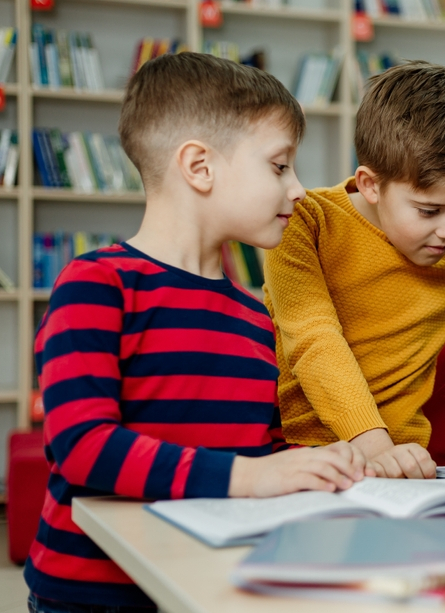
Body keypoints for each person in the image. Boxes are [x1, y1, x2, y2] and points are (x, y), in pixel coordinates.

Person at [25, 53, 369, 612]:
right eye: (281, 166)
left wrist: (319, 469)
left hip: (214, 583)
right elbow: (81, 446)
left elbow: (262, 453)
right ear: (199, 167)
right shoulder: (96, 285)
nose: (300, 190)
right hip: (93, 595)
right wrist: (254, 477)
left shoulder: (257, 318)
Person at [264, 61, 445, 478]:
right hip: (304, 452)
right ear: (371, 185)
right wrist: (375, 446)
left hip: (408, 465)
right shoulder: (305, 222)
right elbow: (313, 339)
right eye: (430, 210)